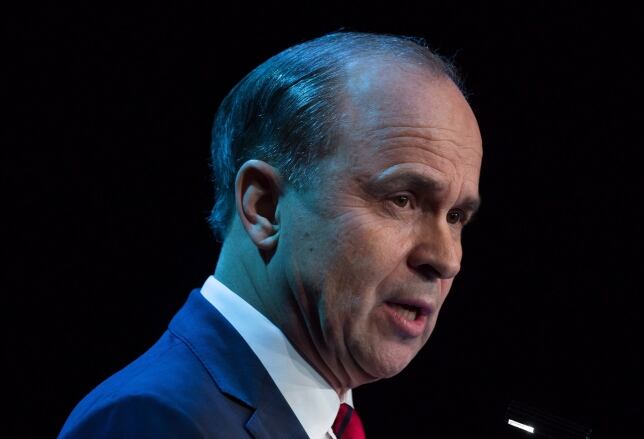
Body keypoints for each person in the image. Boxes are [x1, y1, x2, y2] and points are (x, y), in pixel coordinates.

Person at [58, 31, 483, 438]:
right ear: (264, 208)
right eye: (402, 199)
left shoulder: (322, 419)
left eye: (456, 216)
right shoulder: (155, 421)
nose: (446, 259)